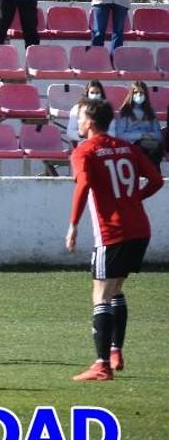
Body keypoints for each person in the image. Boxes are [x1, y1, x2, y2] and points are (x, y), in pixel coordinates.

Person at [65, 98, 162, 381]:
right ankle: (116, 351)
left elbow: (83, 186)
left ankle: (101, 365)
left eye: (80, 117)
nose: (78, 123)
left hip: (112, 233)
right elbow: (156, 180)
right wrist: (133, 199)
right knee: (116, 289)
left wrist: (72, 225)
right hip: (139, 229)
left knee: (101, 295)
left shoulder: (85, 151)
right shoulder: (128, 148)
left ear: (90, 122)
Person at [113, 81, 162, 161]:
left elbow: (158, 135)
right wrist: (141, 135)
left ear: (145, 95)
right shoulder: (125, 111)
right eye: (136, 92)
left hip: (149, 143)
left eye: (141, 93)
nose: (139, 95)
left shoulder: (150, 112)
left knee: (157, 147)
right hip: (131, 144)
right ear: (131, 94)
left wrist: (148, 135)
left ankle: (152, 171)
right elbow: (120, 135)